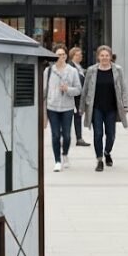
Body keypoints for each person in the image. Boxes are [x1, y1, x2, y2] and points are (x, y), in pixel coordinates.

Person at [80, 45, 128, 173]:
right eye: (102, 55)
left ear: (110, 57)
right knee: (98, 134)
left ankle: (107, 152)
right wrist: (82, 107)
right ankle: (99, 159)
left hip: (112, 108)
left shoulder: (118, 70)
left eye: (107, 55)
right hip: (96, 108)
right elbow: (85, 90)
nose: (104, 58)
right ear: (98, 57)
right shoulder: (91, 70)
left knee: (111, 135)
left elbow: (123, 88)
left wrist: (125, 105)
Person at [43, 44, 79, 172]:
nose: (61, 57)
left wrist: (67, 89)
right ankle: (57, 161)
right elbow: (43, 91)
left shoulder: (72, 71)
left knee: (67, 136)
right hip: (52, 107)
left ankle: (65, 154)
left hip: (67, 107)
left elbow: (78, 90)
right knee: (55, 135)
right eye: (59, 55)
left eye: (63, 55)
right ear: (54, 56)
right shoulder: (48, 71)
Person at [67, 47, 90, 147]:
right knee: (68, 118)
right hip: (72, 97)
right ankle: (66, 138)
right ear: (73, 56)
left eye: (81, 54)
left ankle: (79, 138)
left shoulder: (79, 67)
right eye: (78, 55)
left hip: (79, 97)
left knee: (78, 117)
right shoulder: (70, 67)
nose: (81, 56)